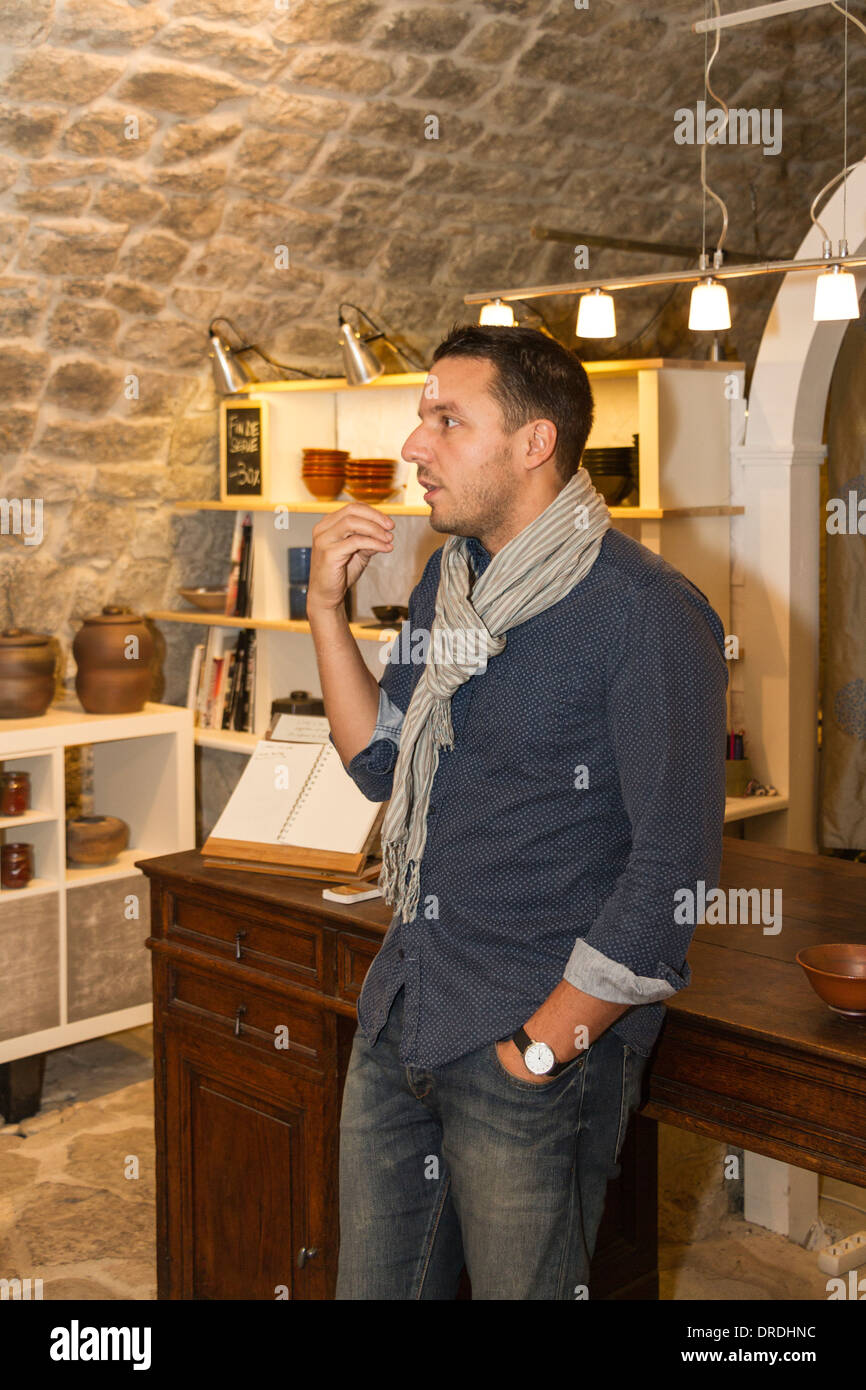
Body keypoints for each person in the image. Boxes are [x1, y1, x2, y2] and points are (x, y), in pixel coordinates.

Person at [307, 324, 728, 1300]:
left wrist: (534, 1053)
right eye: (421, 418)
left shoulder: (645, 612)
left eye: (446, 420)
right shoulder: (446, 588)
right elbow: (380, 763)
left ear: (534, 442)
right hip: (406, 1008)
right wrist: (326, 610)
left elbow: (670, 875)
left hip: (535, 1049)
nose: (414, 445)